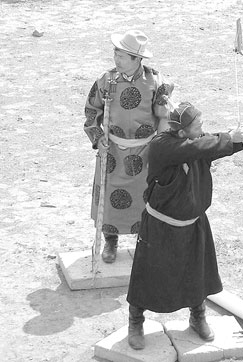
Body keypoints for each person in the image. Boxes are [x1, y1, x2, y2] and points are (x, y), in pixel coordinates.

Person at [126, 101, 243, 349]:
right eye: (197, 126)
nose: (202, 130)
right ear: (180, 132)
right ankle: (135, 322)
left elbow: (223, 144)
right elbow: (202, 145)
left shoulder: (197, 143)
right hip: (160, 226)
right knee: (148, 276)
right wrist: (227, 137)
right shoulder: (162, 146)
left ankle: (198, 318)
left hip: (194, 224)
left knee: (196, 274)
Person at [84, 29, 173, 263]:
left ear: (137, 59)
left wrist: (161, 149)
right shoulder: (106, 80)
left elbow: (164, 118)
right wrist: (97, 136)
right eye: (115, 53)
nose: (116, 58)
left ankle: (145, 244)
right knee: (109, 199)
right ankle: (110, 241)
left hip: (146, 153)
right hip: (112, 151)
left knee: (146, 200)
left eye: (121, 55)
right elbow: (92, 110)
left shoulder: (156, 82)